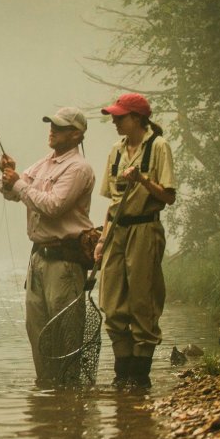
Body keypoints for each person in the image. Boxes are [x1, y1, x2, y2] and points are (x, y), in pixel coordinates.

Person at [0, 107, 95, 386]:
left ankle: (68, 398)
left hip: (65, 261)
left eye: (60, 127)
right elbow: (12, 193)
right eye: (51, 125)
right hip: (39, 258)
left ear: (76, 134)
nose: (51, 130)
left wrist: (17, 184)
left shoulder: (79, 168)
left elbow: (53, 206)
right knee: (38, 331)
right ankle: (48, 397)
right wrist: (8, 176)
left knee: (65, 332)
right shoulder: (43, 165)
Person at [93, 93, 176, 389]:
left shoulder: (158, 147)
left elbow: (168, 197)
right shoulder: (115, 151)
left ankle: (139, 378)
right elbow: (112, 203)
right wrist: (102, 241)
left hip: (145, 229)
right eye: (114, 116)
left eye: (120, 117)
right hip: (116, 231)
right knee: (112, 305)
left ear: (138, 118)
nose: (114, 121)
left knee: (143, 302)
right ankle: (122, 376)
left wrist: (141, 180)